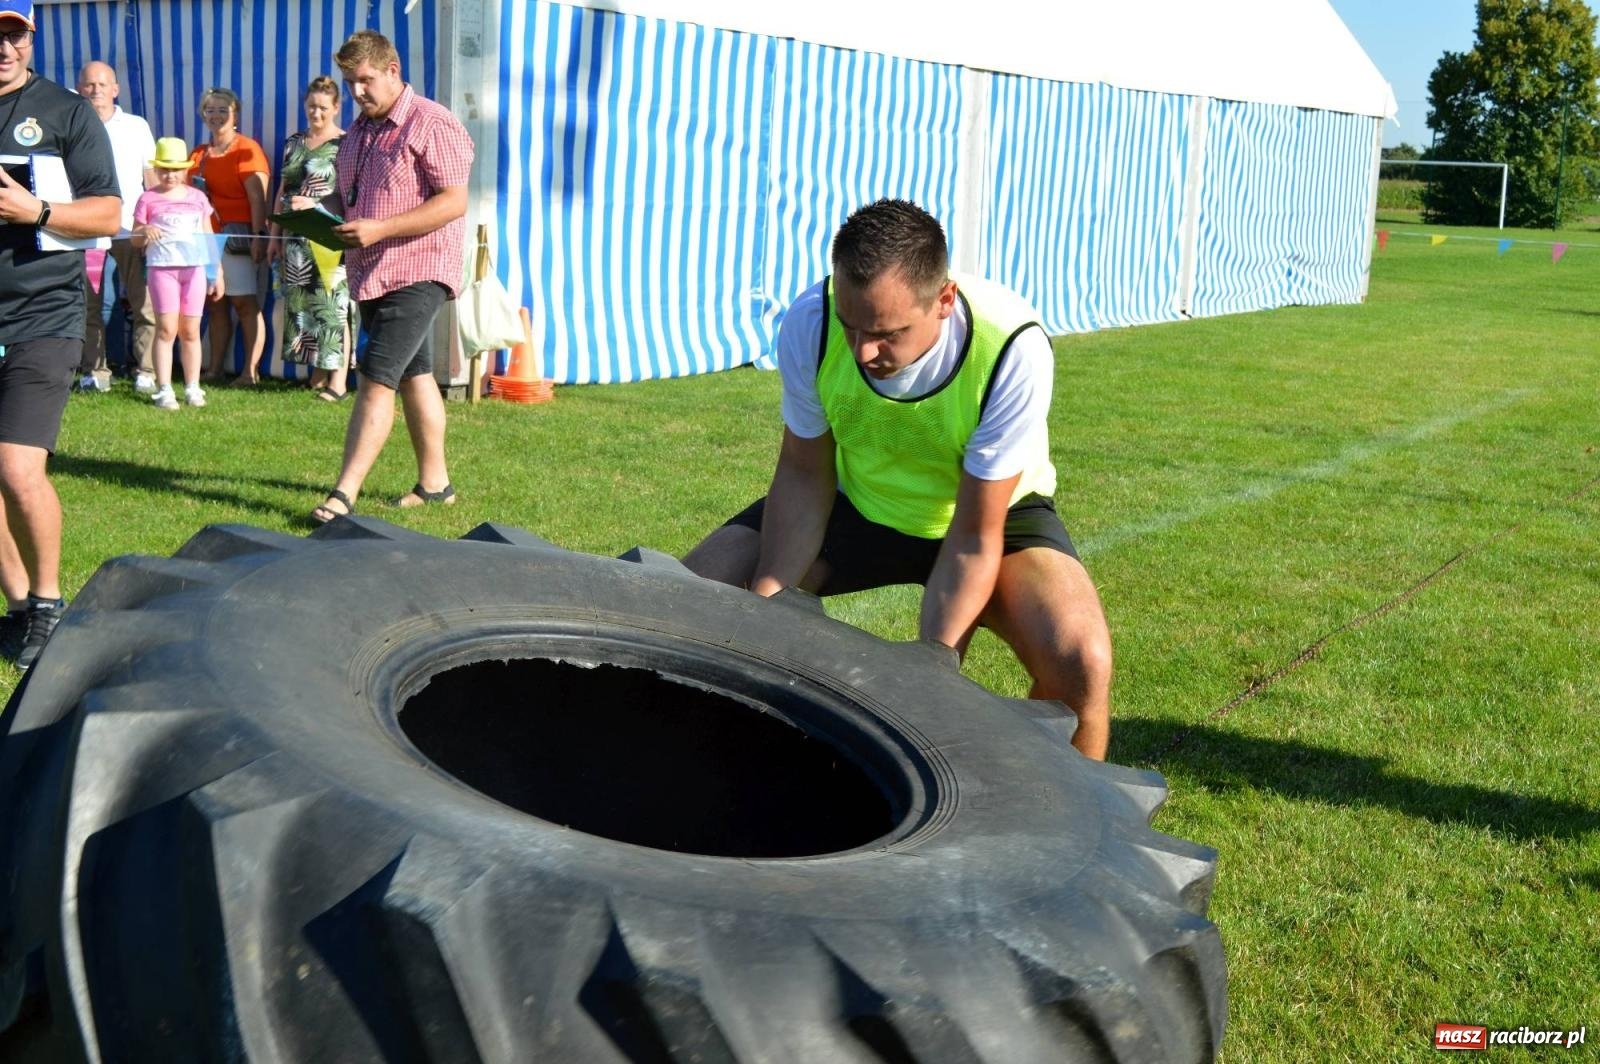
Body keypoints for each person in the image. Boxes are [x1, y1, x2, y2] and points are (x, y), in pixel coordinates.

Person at [682, 199, 1114, 759]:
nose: (862, 350)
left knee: (1082, 659)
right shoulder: (811, 322)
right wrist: (766, 601)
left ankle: (1072, 831)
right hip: (857, 503)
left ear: (944, 300)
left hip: (985, 521)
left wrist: (930, 669)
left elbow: (973, 534)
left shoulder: (1013, 348)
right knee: (686, 596)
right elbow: (804, 471)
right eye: (850, 324)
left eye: (887, 332)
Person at [0, 0, 122, 670]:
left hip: (43, 313)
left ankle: (49, 605)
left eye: (13, 35)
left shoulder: (66, 112)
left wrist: (36, 209)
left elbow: (109, 209)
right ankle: (18, 607)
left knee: (17, 469)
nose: (3, 47)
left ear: (30, 38)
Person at [309, 29, 472, 525]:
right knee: (413, 375)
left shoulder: (432, 122)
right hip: (372, 269)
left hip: (419, 267)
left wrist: (381, 228)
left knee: (375, 377)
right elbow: (353, 199)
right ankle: (436, 485)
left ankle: (343, 496)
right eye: (350, 82)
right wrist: (316, 209)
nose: (357, 92)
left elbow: (454, 200)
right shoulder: (359, 131)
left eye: (365, 80)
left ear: (394, 70)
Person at [74, 59, 156, 393]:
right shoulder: (71, 124)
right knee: (89, 305)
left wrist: (151, 222)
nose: (96, 91)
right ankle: (97, 373)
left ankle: (147, 371)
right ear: (80, 89)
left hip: (130, 228)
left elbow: (151, 178)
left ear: (116, 90)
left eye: (103, 84)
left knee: (144, 303)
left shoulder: (136, 126)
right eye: (90, 85)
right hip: (87, 228)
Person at [267, 76, 351, 400]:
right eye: (311, 107)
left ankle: (339, 383)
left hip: (328, 235)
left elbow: (349, 194)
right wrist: (275, 237)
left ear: (336, 108)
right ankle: (316, 375)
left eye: (323, 108)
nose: (316, 113)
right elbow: (282, 190)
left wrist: (317, 204)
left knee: (333, 307)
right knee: (304, 308)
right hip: (294, 238)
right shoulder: (293, 143)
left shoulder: (346, 144)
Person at [186, 87, 268, 384]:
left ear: (235, 114)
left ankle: (250, 371)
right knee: (216, 303)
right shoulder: (197, 154)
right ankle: (215, 369)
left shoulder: (247, 149)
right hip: (204, 239)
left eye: (223, 109)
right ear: (203, 114)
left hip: (236, 240)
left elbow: (258, 198)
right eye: (211, 109)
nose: (216, 115)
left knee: (245, 304)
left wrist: (260, 236)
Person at [132, 136, 221, 410]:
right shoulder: (147, 198)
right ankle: (165, 389)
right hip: (162, 270)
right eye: (165, 169)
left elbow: (209, 236)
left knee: (191, 330)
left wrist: (216, 272)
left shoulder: (197, 197)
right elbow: (135, 238)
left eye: (177, 169)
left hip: (193, 270)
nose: (171, 175)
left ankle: (193, 387)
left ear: (186, 170)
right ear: (156, 170)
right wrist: (144, 231)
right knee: (167, 329)